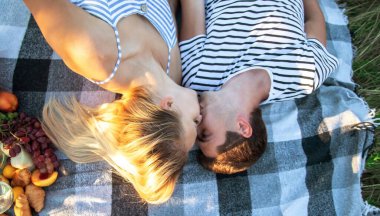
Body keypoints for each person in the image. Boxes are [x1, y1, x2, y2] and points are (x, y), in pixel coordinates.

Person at [22, 0, 202, 204]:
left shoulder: (94, 53)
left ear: (167, 105)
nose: (201, 117)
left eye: (195, 121)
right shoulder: (173, 70)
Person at [178, 0, 339, 174]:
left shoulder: (197, 77)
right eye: (205, 133)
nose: (196, 120)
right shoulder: (305, 76)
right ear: (243, 127)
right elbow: (313, 19)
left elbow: (193, 4)